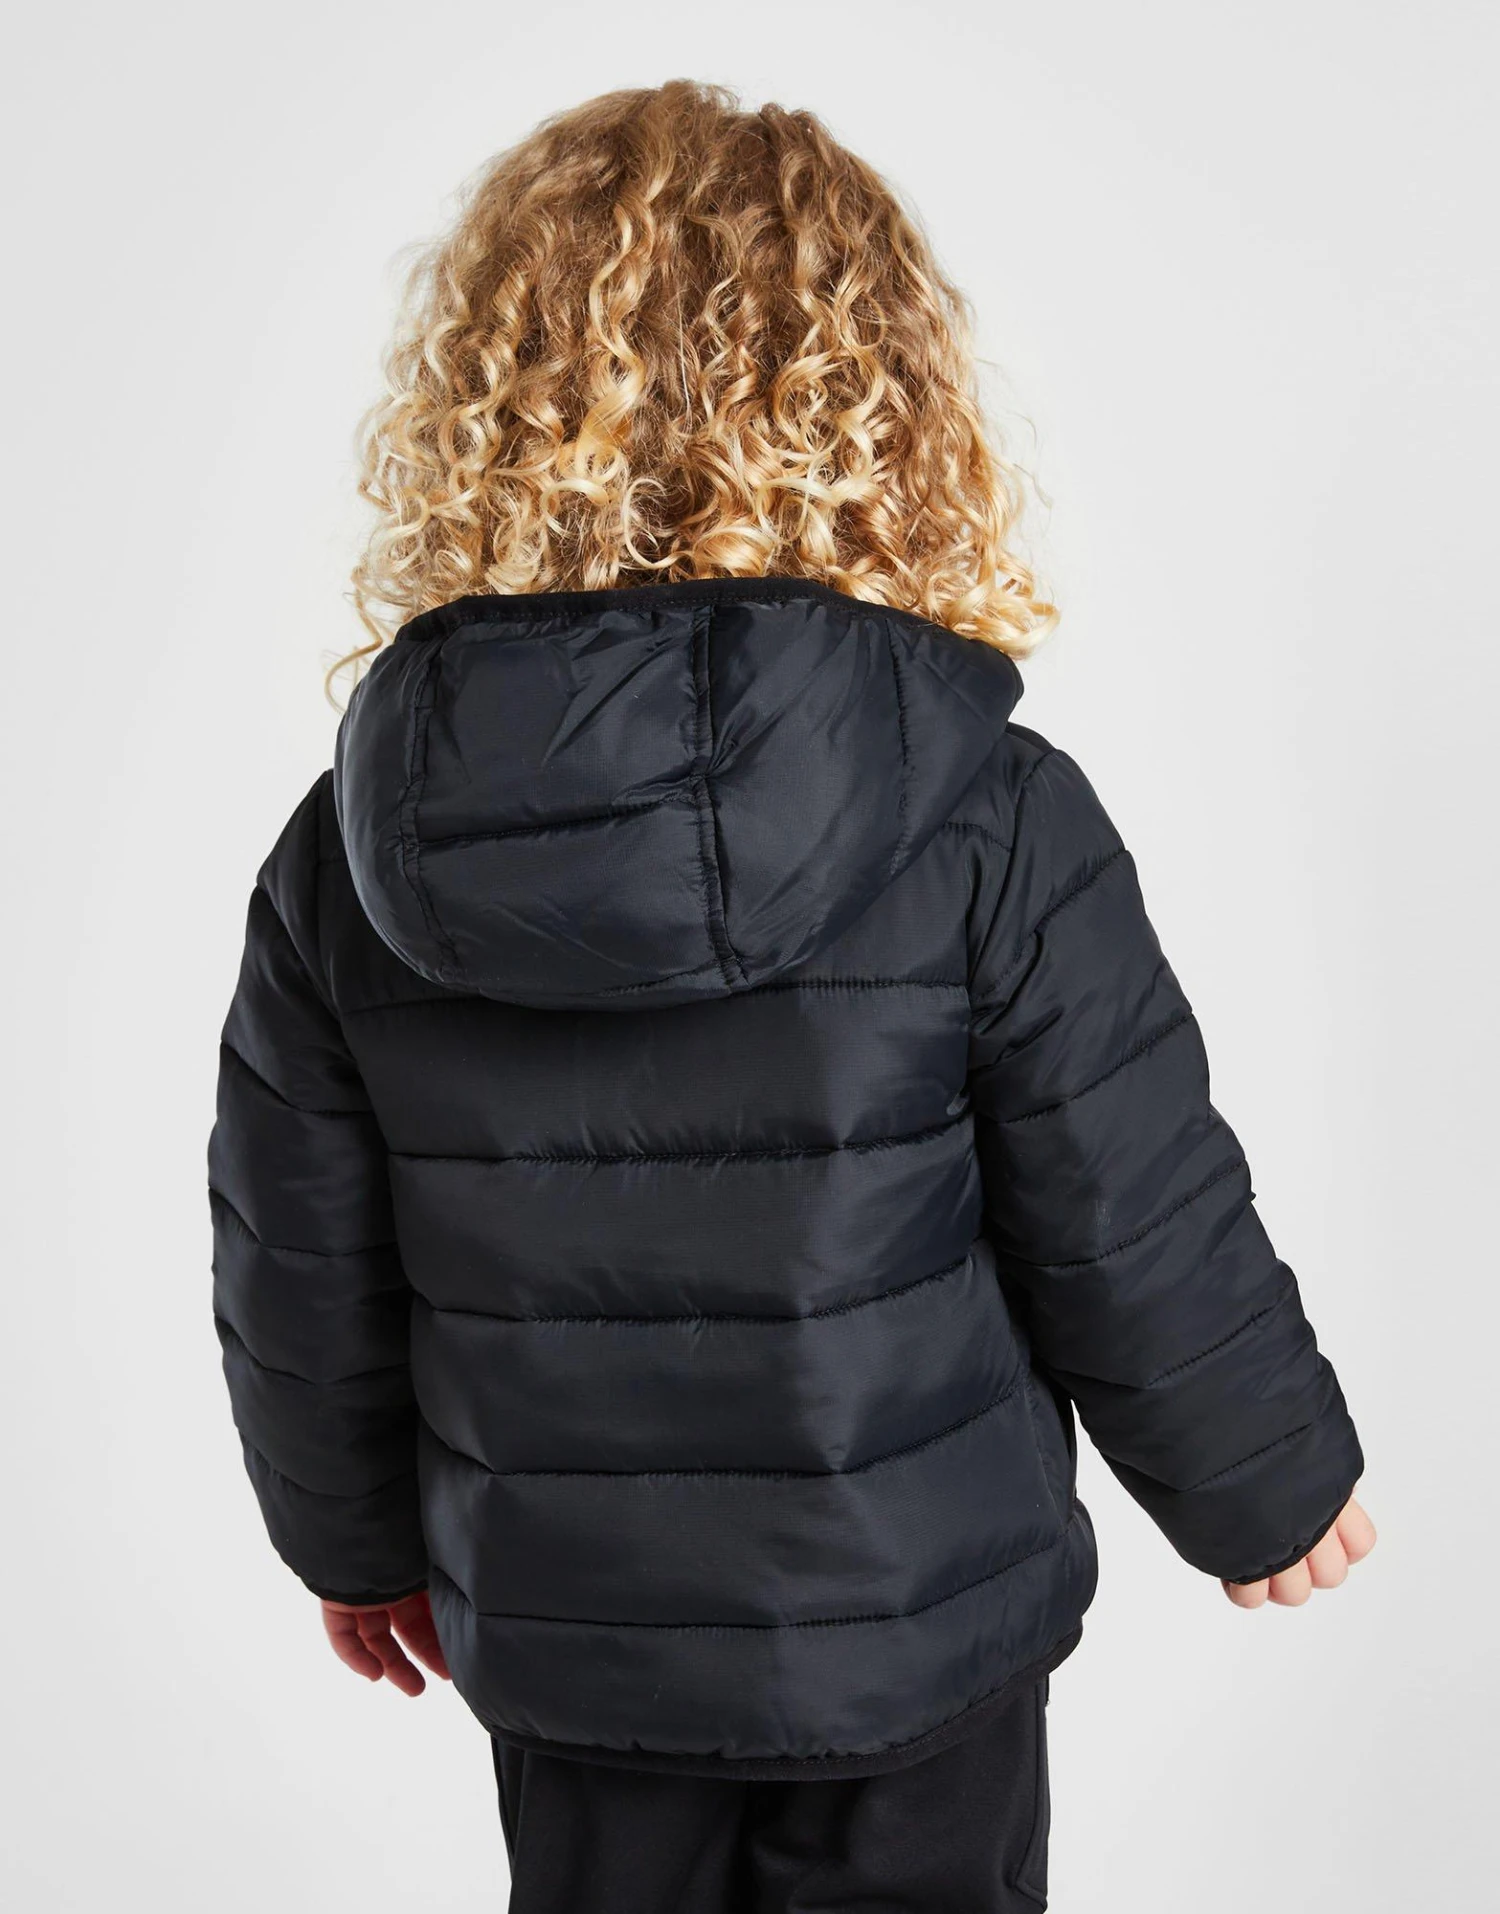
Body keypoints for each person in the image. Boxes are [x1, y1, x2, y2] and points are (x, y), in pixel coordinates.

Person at [208, 80, 1374, 1912]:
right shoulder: (985, 806)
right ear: (877, 406)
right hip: (916, 1637)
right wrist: (1265, 1475)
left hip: (579, 1652)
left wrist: (350, 1542)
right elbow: (1123, 1191)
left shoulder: (358, 853)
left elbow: (302, 1267)